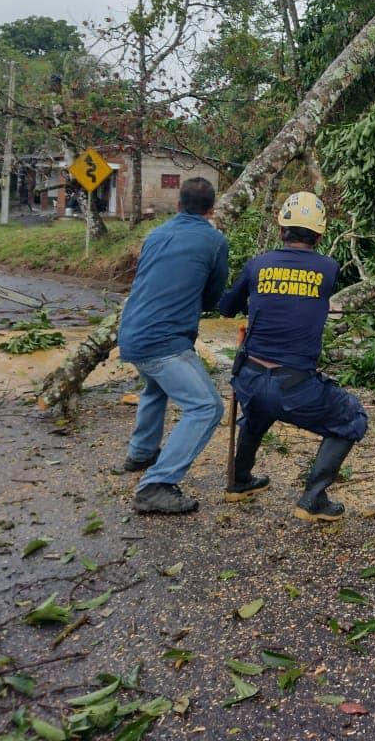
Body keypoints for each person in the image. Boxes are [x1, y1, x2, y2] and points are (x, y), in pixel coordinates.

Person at [218, 191, 367, 521]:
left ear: (281, 229)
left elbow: (226, 307)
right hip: (294, 387)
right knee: (352, 417)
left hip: (250, 379)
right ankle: (313, 498)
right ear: (319, 236)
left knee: (257, 412)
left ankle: (240, 480)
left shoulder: (257, 265)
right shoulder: (328, 268)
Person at [118, 177, 229, 515]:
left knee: (156, 388)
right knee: (206, 407)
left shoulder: (155, 234)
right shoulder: (214, 241)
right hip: (163, 342)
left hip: (131, 331)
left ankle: (141, 453)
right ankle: (156, 485)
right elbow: (212, 298)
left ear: (178, 205)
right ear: (212, 210)